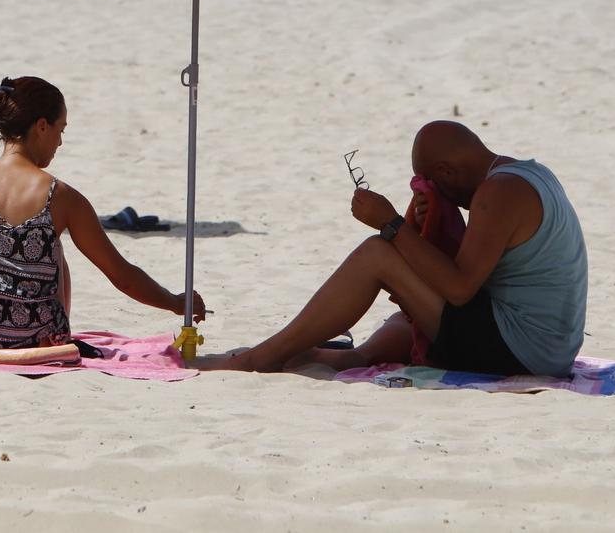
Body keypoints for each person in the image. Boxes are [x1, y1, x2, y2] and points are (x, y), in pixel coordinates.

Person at [207, 121, 587, 378]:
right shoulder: (527, 174)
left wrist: (391, 224)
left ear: (448, 172)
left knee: (377, 253)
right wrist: (419, 222)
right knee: (404, 320)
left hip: (523, 354)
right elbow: (462, 269)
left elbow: (459, 288)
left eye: (431, 185)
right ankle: (333, 356)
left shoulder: (498, 195)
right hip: (546, 347)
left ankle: (261, 358)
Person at [0, 76, 206, 354]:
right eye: (60, 129)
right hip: (32, 339)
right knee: (56, 253)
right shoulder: (63, 198)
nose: (60, 141)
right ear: (41, 126)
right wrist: (175, 302)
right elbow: (120, 275)